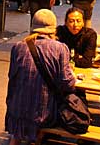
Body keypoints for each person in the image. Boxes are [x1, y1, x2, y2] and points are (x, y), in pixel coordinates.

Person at [5, 9, 76, 144]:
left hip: (15, 110)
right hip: (43, 114)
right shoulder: (60, 48)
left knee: (17, 133)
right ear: (53, 29)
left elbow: (12, 76)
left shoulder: (18, 46)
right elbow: (68, 83)